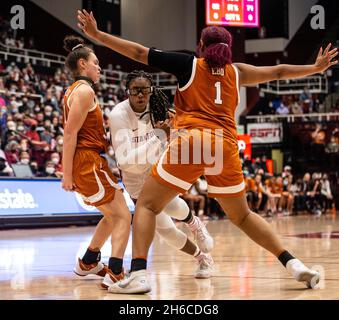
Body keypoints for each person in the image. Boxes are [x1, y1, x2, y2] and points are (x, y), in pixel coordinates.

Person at [77, 9, 337, 293]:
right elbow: (278, 71)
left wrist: (98, 35)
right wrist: (314, 68)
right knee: (243, 216)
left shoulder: (189, 64)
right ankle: (293, 263)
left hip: (192, 141)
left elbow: (140, 53)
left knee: (147, 205)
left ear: (201, 46)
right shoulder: (237, 72)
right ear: (229, 49)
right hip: (224, 146)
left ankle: (138, 274)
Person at [109, 70, 214, 280]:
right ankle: (203, 257)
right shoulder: (118, 115)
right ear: (127, 92)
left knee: (170, 203)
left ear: (151, 91)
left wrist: (178, 130)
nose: (140, 95)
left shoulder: (159, 109)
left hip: (157, 169)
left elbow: (179, 133)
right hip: (133, 178)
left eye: (144, 90)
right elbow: (127, 162)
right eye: (135, 91)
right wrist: (159, 136)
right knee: (165, 231)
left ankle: (194, 223)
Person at [61, 35, 131, 288]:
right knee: (123, 216)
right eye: (96, 62)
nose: (100, 67)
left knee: (113, 214)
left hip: (89, 161)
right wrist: (66, 174)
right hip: (87, 162)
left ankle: (89, 261)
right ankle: (116, 272)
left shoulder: (76, 90)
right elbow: (69, 135)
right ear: (82, 64)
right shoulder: (84, 90)